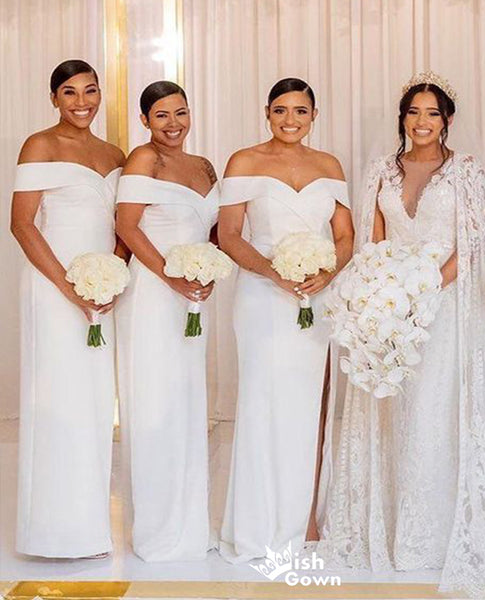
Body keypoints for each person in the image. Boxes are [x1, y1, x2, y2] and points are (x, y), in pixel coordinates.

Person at [317, 72, 485, 596]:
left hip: (445, 309)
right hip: (389, 309)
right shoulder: (382, 169)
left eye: (432, 113)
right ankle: (395, 530)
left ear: (447, 121)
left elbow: (474, 243)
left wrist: (422, 289)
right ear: (403, 118)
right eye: (413, 112)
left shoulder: (467, 171)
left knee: (434, 410)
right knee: (393, 408)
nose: (421, 122)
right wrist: (383, 295)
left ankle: (438, 534)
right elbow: (373, 241)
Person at [218, 77, 354, 562]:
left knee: (308, 403)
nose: (289, 120)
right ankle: (259, 526)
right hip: (261, 296)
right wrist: (273, 271)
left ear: (314, 115)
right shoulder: (244, 161)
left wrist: (328, 272)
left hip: (317, 296)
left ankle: (305, 519)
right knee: (263, 402)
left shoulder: (329, 166)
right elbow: (229, 235)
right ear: (267, 113)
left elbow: (345, 236)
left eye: (300, 111)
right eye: (280, 110)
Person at [10, 59, 125, 558]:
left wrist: (112, 276)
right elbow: (22, 224)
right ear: (53, 97)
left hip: (103, 292)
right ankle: (51, 532)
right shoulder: (39, 145)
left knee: (95, 402)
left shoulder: (114, 153)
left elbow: (123, 225)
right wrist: (69, 288)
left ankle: (90, 528)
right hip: (54, 289)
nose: (82, 102)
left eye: (90, 91)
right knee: (57, 399)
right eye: (70, 92)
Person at [115, 81, 218, 561]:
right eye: (161, 115)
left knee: (187, 402)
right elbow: (127, 225)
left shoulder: (204, 166)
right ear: (145, 121)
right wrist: (171, 276)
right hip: (155, 295)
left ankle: (190, 524)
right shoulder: (143, 159)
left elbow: (212, 230)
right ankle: (157, 530)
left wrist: (209, 268)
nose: (173, 124)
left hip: (193, 296)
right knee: (155, 405)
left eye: (181, 113)